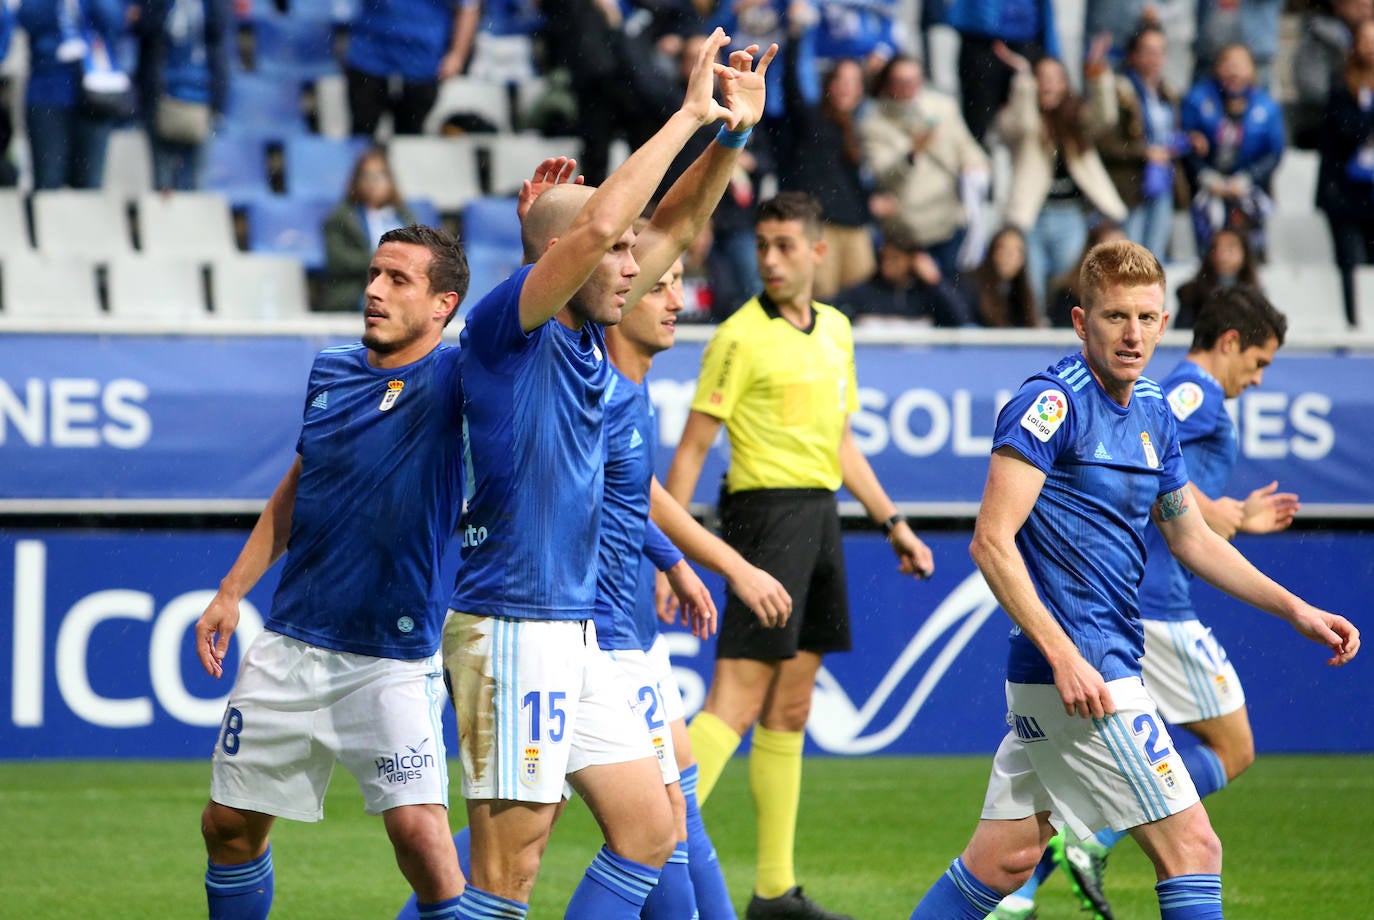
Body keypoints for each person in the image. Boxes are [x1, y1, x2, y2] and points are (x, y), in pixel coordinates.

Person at [907, 239, 1359, 920]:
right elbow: (991, 543)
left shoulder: (1152, 411)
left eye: (1148, 318)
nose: (1134, 334)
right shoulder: (1049, 404)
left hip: (1093, 670)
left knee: (1004, 860)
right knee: (1194, 848)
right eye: (1116, 316)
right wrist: (1065, 656)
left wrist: (1295, 609)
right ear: (1081, 322)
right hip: (1085, 675)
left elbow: (1192, 537)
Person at [441, 30, 765, 919]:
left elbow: (679, 223)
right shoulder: (511, 327)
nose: (638, 266)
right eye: (620, 254)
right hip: (510, 622)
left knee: (650, 828)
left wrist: (730, 137)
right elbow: (591, 229)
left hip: (575, 630)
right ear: (570, 259)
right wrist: (689, 112)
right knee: (508, 874)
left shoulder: (588, 331)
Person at [665, 190, 936, 920]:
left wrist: (894, 523)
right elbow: (691, 450)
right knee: (736, 702)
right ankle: (647, 852)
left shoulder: (838, 331)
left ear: (819, 251)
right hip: (761, 519)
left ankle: (774, 893)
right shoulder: (737, 336)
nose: (772, 259)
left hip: (821, 518)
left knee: (789, 708)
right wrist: (671, 555)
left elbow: (841, 443)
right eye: (764, 245)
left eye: (786, 245)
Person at [193, 223, 471, 919]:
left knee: (424, 845)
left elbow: (538, 313)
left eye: (398, 280)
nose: (374, 291)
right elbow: (300, 481)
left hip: (393, 659)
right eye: (374, 274)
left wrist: (543, 247)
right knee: (227, 826)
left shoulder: (458, 380)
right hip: (293, 640)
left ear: (444, 304)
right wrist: (232, 591)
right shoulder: (332, 370)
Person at [1035, 283, 1304, 920]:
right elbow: (1145, 453)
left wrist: (1229, 516)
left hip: (1140, 602)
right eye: (1258, 363)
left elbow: (1167, 485)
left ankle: (1019, 893)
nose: (1258, 380)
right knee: (1234, 749)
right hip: (1156, 605)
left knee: (1043, 797)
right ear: (1231, 342)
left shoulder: (1172, 393)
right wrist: (1219, 513)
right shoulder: (1190, 392)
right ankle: (1096, 838)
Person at [993, 39, 1128, 311]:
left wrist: (1096, 72)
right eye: (1042, 78)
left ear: (1066, 83)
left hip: (1070, 215)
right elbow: (1019, 124)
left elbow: (1105, 117)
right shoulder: (1023, 118)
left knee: (1066, 283)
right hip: (1032, 217)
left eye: (1055, 79)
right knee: (1032, 286)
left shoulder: (1076, 120)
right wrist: (1023, 81)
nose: (1048, 85)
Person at [860, 54, 990, 283]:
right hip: (909, 230)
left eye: (914, 81)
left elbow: (966, 146)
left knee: (951, 293)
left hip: (949, 218)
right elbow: (882, 175)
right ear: (888, 84)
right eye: (902, 82)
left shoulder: (942, 107)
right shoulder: (874, 123)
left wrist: (975, 164)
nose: (910, 88)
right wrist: (912, 152)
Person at [1180, 44, 1285, 259]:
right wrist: (1205, 176)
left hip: (1248, 191)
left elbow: (1274, 152)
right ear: (1217, 67)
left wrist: (1248, 178)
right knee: (1209, 251)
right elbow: (1186, 142)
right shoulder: (1197, 99)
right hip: (1206, 191)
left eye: (1241, 64)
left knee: (1247, 251)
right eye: (1228, 63)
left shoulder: (1266, 106)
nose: (1234, 71)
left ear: (1252, 70)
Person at [17, 0, 130, 190]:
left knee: (90, 183)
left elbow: (116, 21)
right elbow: (26, 18)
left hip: (96, 93)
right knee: (48, 180)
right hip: (48, 91)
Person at [1099, 24, 1186, 262]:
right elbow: (1106, 143)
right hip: (1131, 185)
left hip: (1162, 182)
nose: (1155, 58)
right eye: (1148, 51)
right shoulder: (1120, 90)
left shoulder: (1166, 92)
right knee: (1128, 257)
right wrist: (1145, 152)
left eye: (1160, 51)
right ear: (1133, 55)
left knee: (1154, 259)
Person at [133, 0, 232, 192]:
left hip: (201, 102)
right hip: (161, 100)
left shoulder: (212, 7)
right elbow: (144, 26)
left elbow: (218, 35)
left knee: (195, 184)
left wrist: (218, 104)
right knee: (163, 188)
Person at [343, 0, 479, 138]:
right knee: (360, 135)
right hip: (369, 57)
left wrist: (457, 55)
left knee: (411, 140)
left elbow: (468, 8)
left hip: (421, 62)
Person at [1317, 16, 1374, 330]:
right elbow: (1344, 130)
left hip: (1371, 190)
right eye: (1365, 40)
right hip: (1345, 192)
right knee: (1349, 260)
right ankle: (1353, 323)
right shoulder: (1342, 85)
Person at [942, 0, 1060, 146]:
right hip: (980, 38)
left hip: (1025, 39)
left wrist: (1052, 52)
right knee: (977, 123)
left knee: (1028, 121)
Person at [322, 148, 419, 313]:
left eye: (379, 176)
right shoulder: (342, 218)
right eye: (366, 177)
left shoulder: (405, 217)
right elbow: (338, 260)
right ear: (356, 181)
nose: (373, 183)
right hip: (356, 291)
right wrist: (385, 263)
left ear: (390, 181)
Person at [835, 231, 972, 327]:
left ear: (913, 260)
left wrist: (936, 282)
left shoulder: (928, 295)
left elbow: (960, 320)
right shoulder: (864, 293)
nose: (888, 265)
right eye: (884, 258)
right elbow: (833, 310)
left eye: (895, 259)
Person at [1290, 0, 1372, 151]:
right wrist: (1348, 103)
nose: (1366, 3)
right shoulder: (1318, 36)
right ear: (1338, 4)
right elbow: (1311, 88)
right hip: (1327, 132)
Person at [1173, 227, 1260, 329]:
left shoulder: (1255, 297)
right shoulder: (1191, 294)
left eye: (1230, 248)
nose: (1222, 254)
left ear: (1244, 253)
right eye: (1216, 248)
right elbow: (1182, 333)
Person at [1046, 220, 1126, 328]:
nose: (1117, 258)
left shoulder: (1137, 296)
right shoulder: (1067, 294)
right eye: (1108, 251)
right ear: (1090, 253)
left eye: (1124, 251)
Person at [959, 225, 1039, 327]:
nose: (1009, 256)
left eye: (1016, 251)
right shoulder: (970, 285)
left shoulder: (1021, 295)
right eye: (1003, 248)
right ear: (993, 252)